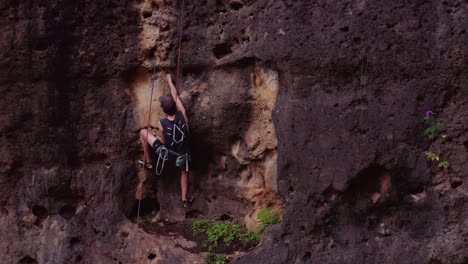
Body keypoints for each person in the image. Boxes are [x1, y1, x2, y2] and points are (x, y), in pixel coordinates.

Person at [139, 73, 191, 205]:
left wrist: (156, 136)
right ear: (174, 106)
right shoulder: (183, 115)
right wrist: (169, 80)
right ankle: (184, 199)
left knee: (143, 132)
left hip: (169, 155)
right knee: (184, 173)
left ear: (164, 110)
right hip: (183, 154)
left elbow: (163, 142)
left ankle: (149, 161)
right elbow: (175, 95)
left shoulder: (162, 123)